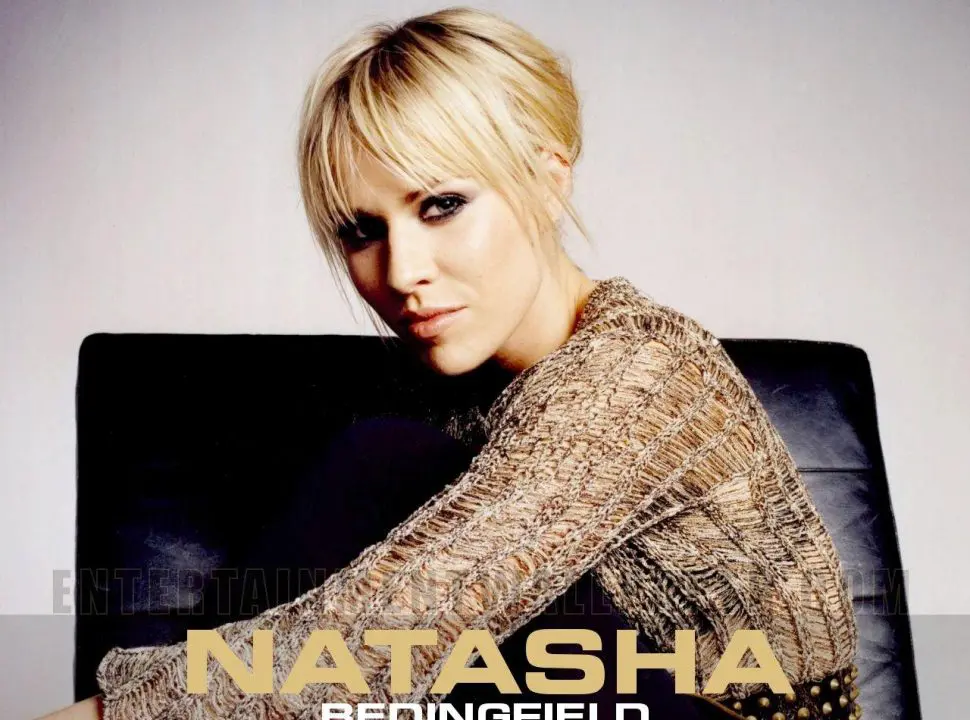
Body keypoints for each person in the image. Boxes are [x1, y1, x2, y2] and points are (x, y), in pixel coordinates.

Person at [40, 6, 861, 720]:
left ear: (547, 182)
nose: (402, 273)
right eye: (363, 231)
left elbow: (396, 622)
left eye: (442, 205)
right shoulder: (465, 387)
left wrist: (110, 711)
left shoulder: (636, 376)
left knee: (384, 471)